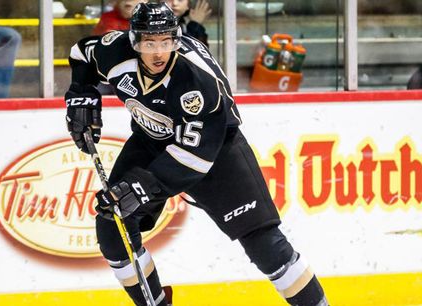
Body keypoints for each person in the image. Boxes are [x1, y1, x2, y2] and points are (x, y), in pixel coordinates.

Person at [65, 2, 329, 306]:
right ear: (134, 41)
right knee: (113, 225)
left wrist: (143, 187)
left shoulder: (198, 78)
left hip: (216, 151)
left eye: (166, 42)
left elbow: (195, 155)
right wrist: (81, 95)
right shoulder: (115, 49)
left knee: (265, 245)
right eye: (150, 43)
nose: (158, 52)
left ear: (177, 39)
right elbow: (81, 52)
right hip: (151, 141)